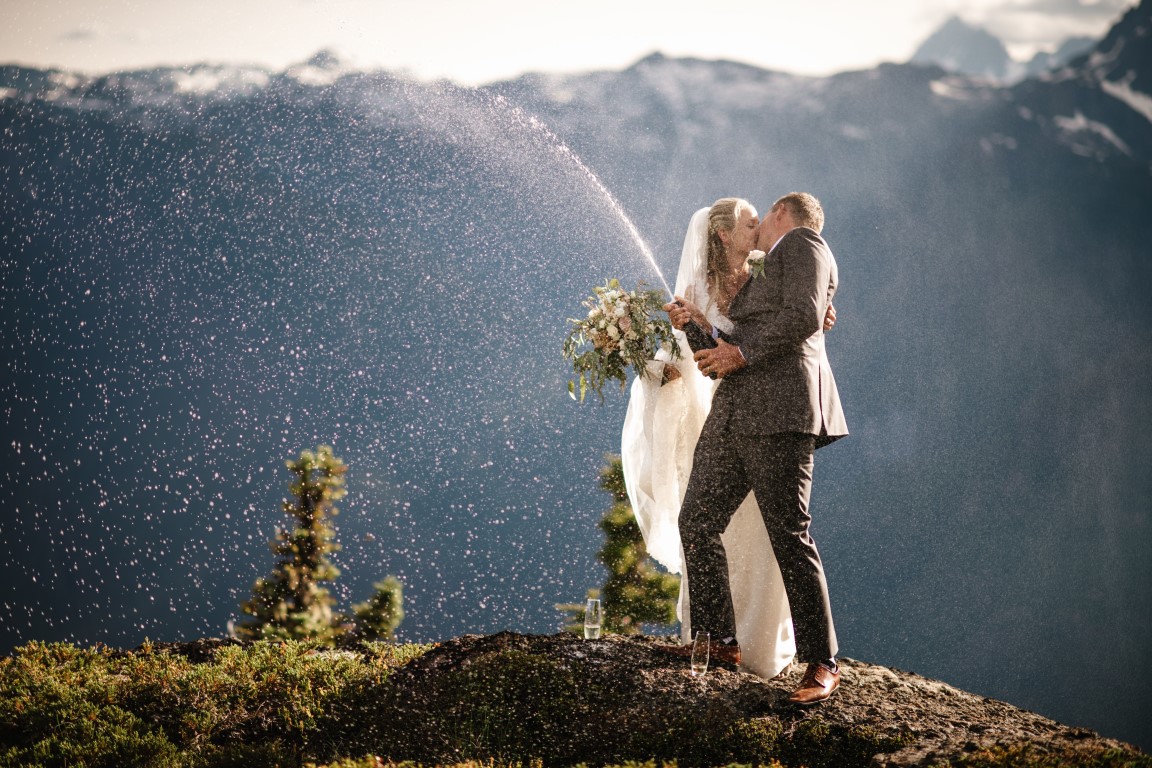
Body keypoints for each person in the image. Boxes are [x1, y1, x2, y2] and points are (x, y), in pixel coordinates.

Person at [620, 197, 834, 681]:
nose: (758, 226)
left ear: (782, 214)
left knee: (789, 534)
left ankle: (822, 662)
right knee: (697, 520)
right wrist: (698, 327)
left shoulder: (802, 243)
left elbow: (801, 316)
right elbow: (725, 351)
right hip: (732, 414)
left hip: (778, 416)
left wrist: (815, 310)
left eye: (762, 218)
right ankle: (717, 641)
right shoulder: (766, 269)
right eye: (749, 220)